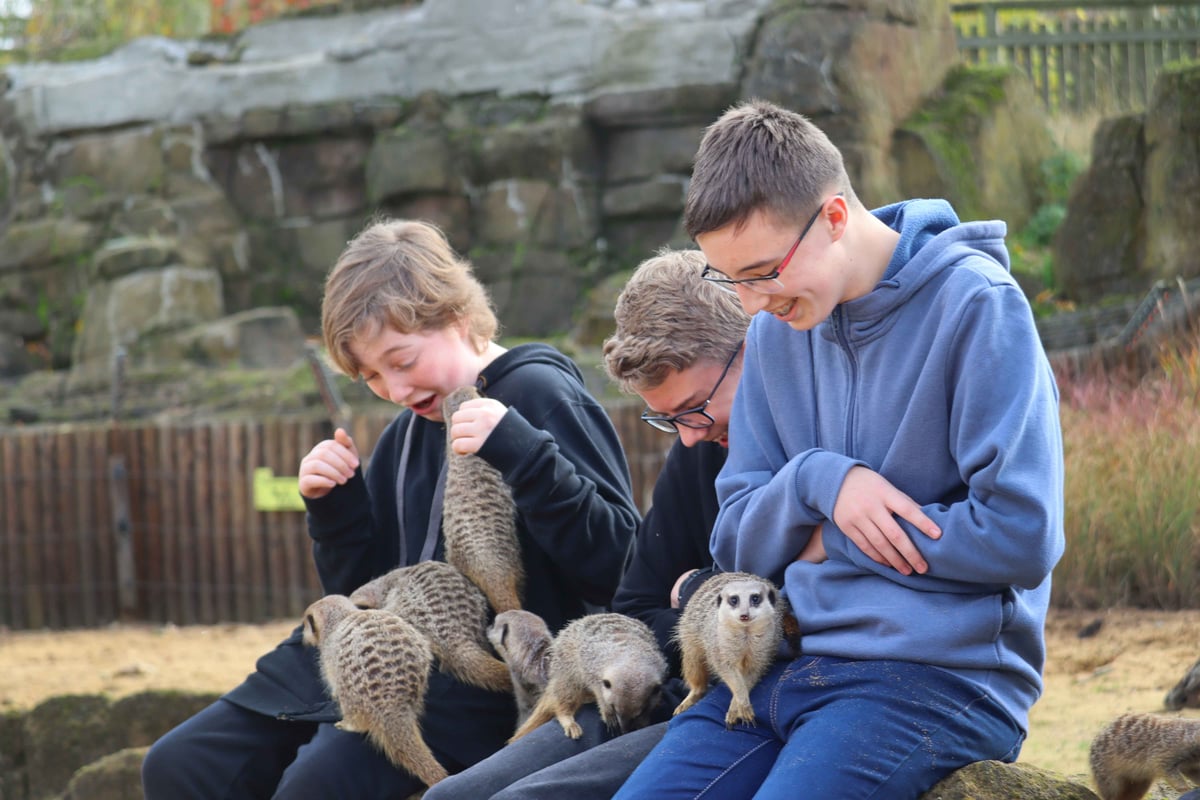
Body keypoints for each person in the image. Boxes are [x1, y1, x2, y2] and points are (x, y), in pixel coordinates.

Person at [614, 99, 1066, 800]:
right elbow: (734, 540)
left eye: (762, 271)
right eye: (730, 280)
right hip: (775, 663)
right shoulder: (772, 333)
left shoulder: (977, 306)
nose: (752, 302)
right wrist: (818, 484)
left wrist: (835, 540)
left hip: (935, 676)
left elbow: (1020, 534)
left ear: (832, 217)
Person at [141, 218, 641, 799]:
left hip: (484, 677)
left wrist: (526, 457)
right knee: (180, 764)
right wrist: (336, 510)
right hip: (374, 657)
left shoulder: (537, 393)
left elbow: (619, 569)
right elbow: (361, 588)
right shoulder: (408, 431)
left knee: (314, 786)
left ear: (455, 316)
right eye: (370, 376)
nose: (395, 390)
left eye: (401, 362)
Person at [423, 247, 755, 800]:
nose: (690, 435)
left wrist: (694, 591)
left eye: (695, 408)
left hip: (735, 708)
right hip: (650, 691)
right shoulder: (696, 449)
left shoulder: (806, 433)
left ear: (751, 350)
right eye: (668, 420)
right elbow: (636, 608)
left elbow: (773, 623)